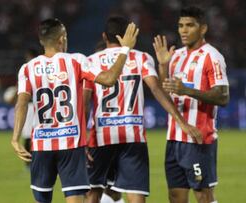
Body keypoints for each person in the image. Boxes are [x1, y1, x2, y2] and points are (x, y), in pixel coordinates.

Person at [12, 18, 139, 203]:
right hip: (71, 144)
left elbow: (21, 103)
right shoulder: (77, 61)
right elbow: (110, 78)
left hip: (41, 145)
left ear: (41, 40)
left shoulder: (27, 68)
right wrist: (125, 49)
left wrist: (15, 138)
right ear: (62, 39)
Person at [84, 17, 202, 203]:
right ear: (128, 36)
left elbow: (84, 102)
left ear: (104, 36)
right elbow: (156, 89)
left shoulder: (90, 61)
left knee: (93, 193)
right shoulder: (141, 57)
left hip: (100, 136)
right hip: (133, 137)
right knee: (136, 195)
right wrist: (182, 122)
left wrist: (83, 137)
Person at [153, 6, 229, 203]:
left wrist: (187, 90)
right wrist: (163, 66)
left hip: (198, 139)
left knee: (203, 195)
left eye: (189, 25)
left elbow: (223, 96)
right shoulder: (175, 56)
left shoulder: (212, 56)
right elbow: (168, 90)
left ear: (202, 29)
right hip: (174, 138)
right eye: (180, 26)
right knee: (175, 195)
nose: (183, 30)